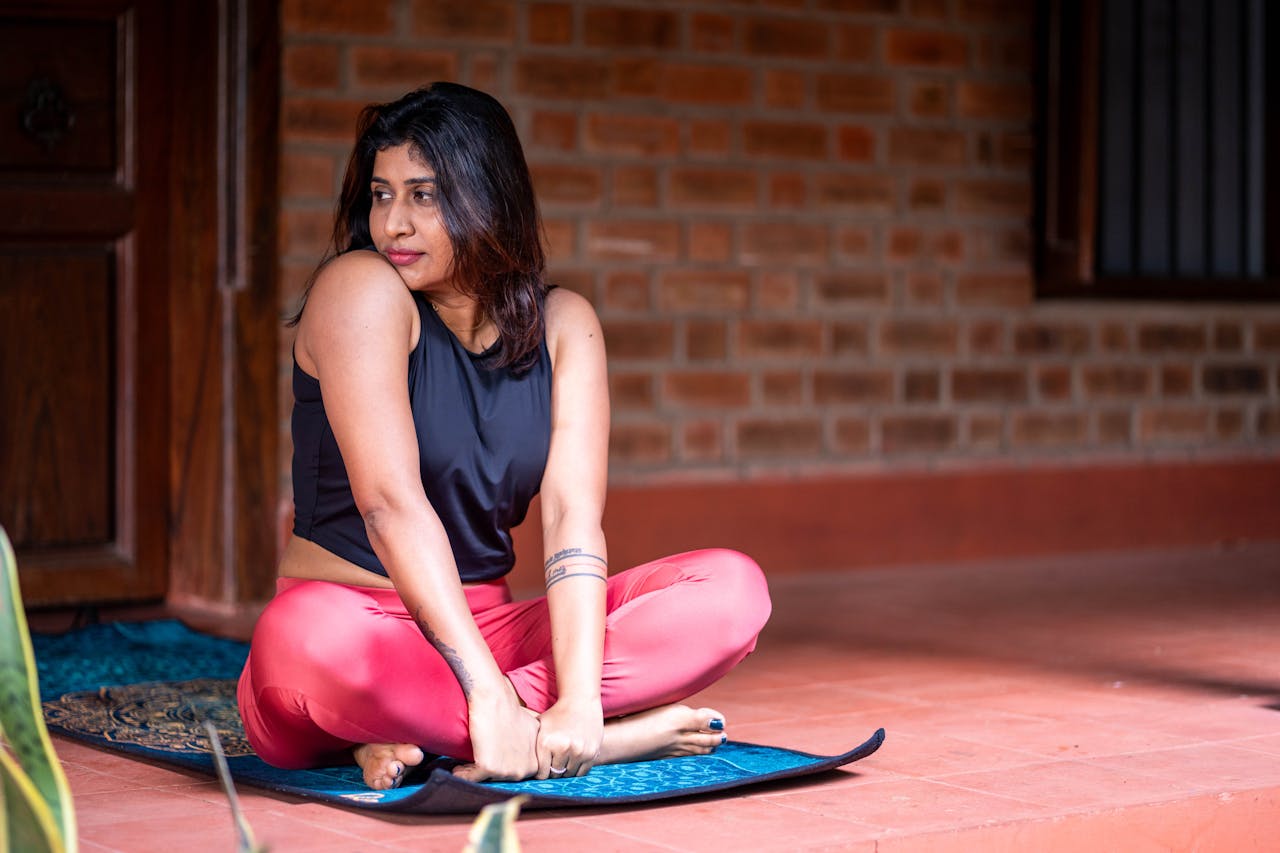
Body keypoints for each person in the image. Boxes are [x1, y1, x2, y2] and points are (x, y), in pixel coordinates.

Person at [236, 82, 772, 790]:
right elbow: (389, 505)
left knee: (732, 593)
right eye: (381, 193)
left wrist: (580, 699)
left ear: (488, 197)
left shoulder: (564, 325)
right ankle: (592, 738)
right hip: (351, 622)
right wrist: (487, 690)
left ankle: (436, 735)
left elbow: (570, 517)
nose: (393, 222)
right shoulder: (359, 289)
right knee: (304, 643)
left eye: (424, 196)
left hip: (492, 628)